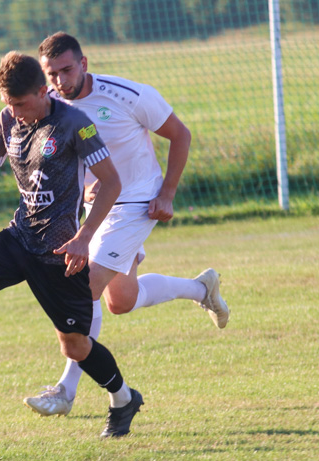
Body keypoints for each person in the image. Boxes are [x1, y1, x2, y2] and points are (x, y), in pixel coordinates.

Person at [0, 51, 142, 438]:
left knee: (76, 347)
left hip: (60, 256)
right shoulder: (9, 118)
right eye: (8, 103)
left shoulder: (75, 123)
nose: (15, 112)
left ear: (44, 92)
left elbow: (111, 183)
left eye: (21, 104)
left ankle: (124, 398)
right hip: (18, 238)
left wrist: (83, 238)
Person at [23, 32, 229, 418]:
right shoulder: (49, 107)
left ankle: (65, 391)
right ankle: (202, 288)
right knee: (121, 301)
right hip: (97, 209)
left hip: (137, 199)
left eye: (66, 70)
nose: (60, 82)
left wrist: (166, 193)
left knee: (84, 285)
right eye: (51, 75)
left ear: (84, 64)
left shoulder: (128, 95)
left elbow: (180, 135)